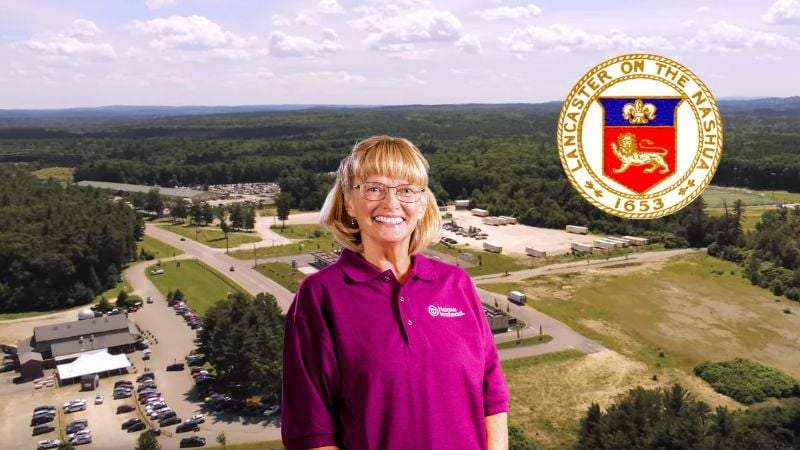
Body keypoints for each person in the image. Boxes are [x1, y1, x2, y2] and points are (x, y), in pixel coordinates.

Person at [281, 135, 509, 450]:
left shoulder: (456, 284)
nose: (391, 204)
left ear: (422, 202)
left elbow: (493, 396)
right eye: (374, 189)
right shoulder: (320, 296)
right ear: (349, 200)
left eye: (406, 190)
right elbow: (311, 432)